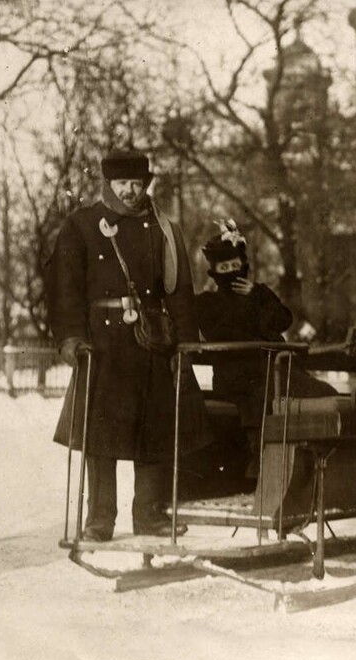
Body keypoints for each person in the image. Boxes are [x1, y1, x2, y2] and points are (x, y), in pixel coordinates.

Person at [49, 149, 211, 542]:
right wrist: (72, 339)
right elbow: (64, 290)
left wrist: (185, 346)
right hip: (102, 348)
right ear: (107, 183)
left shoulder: (163, 229)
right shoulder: (82, 225)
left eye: (137, 184)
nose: (131, 192)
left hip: (152, 343)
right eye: (123, 184)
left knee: (153, 435)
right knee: (100, 440)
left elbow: (180, 293)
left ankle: (150, 516)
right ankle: (100, 520)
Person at [196, 221, 336, 475]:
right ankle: (261, 460)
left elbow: (283, 320)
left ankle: (318, 459)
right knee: (266, 395)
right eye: (224, 268)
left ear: (244, 267)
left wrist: (259, 295)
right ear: (215, 272)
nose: (231, 272)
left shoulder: (258, 295)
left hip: (273, 370)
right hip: (237, 376)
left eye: (235, 266)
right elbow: (221, 331)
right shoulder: (209, 303)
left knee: (321, 392)